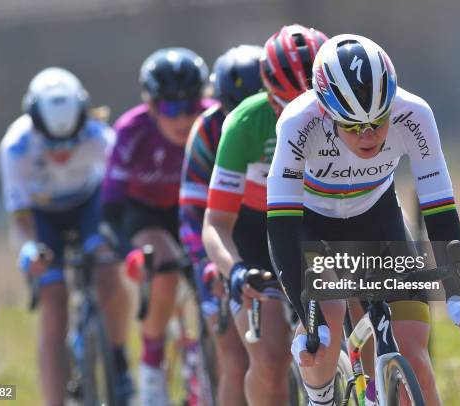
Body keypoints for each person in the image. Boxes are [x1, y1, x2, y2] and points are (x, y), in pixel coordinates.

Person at [266, 34, 460, 405]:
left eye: (378, 121)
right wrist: (309, 319)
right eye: (353, 126)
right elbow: (281, 228)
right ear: (326, 112)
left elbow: (440, 211)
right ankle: (320, 398)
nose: (369, 135)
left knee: (416, 362)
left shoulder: (415, 115)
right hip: (311, 226)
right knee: (328, 319)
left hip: (378, 220)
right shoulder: (298, 123)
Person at [202, 24, 328, 406]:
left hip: (319, 222)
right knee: (271, 359)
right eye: (285, 107)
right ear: (268, 96)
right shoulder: (243, 124)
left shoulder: (344, 111)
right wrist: (235, 270)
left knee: (362, 323)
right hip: (255, 236)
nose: (298, 119)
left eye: (312, 106)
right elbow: (216, 223)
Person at [0, 67, 133, 406]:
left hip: (89, 204)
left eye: (71, 142)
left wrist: (117, 239)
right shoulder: (15, 147)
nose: (62, 153)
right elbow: (20, 221)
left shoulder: (101, 137)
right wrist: (28, 249)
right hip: (42, 217)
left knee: (107, 270)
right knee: (53, 300)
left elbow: (120, 200)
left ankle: (117, 361)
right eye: (52, 144)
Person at [100, 47, 214, 405]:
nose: (182, 119)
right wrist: (127, 251)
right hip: (146, 213)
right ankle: (151, 368)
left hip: (199, 211)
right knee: (163, 269)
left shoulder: (214, 123)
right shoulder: (132, 131)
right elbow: (112, 206)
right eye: (170, 108)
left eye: (191, 105)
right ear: (151, 105)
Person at [179, 44, 264, 405]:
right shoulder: (208, 131)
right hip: (224, 236)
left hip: (272, 224)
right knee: (236, 356)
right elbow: (193, 215)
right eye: (235, 106)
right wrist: (208, 266)